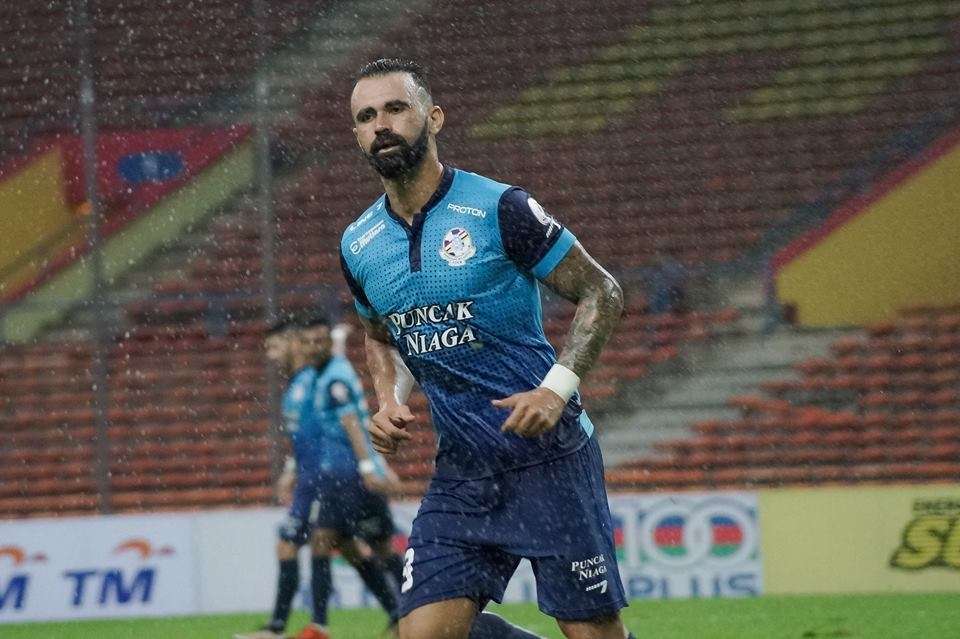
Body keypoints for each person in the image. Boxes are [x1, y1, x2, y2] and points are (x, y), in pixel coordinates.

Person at [339, 59, 635, 639]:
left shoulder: (501, 208)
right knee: (417, 635)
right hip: (464, 474)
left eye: (396, 109)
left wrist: (556, 390)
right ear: (356, 134)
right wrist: (388, 397)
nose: (381, 125)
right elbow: (379, 334)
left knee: (594, 632)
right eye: (366, 116)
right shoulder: (358, 243)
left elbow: (603, 291)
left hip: (550, 461)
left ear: (434, 117)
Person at [237, 315, 403, 639]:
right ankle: (397, 613)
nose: (271, 355)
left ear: (293, 343)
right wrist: (290, 470)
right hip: (327, 477)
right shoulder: (312, 378)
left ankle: (295, 627)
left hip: (334, 478)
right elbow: (309, 434)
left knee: (334, 544)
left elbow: (348, 420)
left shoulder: (315, 380)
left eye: (275, 346)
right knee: (350, 548)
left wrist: (371, 466)